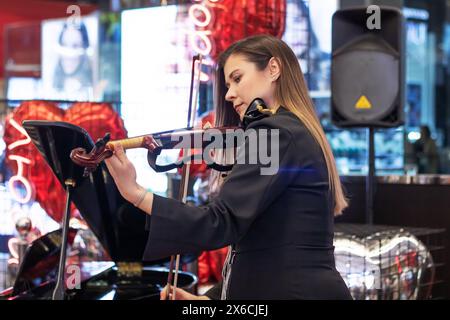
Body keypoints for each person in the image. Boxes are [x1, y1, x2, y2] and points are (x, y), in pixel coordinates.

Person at [105, 34, 352, 300]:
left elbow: (220, 222)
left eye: (237, 78)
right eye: (227, 83)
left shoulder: (273, 132)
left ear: (273, 69)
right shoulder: (288, 130)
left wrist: (135, 192)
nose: (229, 94)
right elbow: (260, 246)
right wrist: (207, 300)